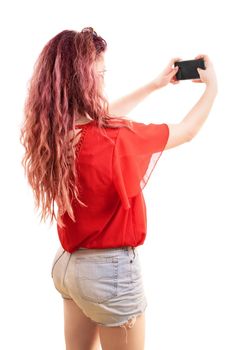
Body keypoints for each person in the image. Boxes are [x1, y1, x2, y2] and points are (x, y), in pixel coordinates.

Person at [20, 27, 218, 350]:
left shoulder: (56, 132)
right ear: (83, 81)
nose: (103, 80)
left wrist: (154, 86)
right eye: (100, 73)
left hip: (69, 267)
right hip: (109, 275)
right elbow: (186, 131)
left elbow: (103, 116)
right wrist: (214, 89)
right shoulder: (117, 139)